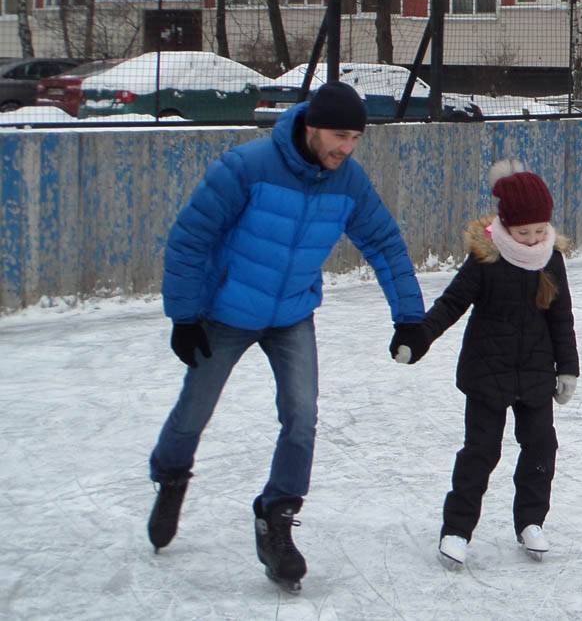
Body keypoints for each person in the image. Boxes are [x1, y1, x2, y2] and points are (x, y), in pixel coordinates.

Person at [147, 81, 426, 592]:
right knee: (195, 410)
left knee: (301, 415)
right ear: (312, 127)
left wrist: (409, 316)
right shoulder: (247, 168)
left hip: (292, 313)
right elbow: (190, 237)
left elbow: (385, 243)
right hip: (226, 312)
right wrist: (185, 316)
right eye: (339, 136)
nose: (347, 148)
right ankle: (171, 476)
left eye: (355, 139)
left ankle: (276, 516)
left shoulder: (350, 183)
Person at [390, 160, 580, 569]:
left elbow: (561, 317)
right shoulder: (486, 259)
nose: (532, 239)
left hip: (534, 373)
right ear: (505, 227)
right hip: (486, 374)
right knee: (481, 452)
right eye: (523, 232)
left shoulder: (550, 260)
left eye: (540, 230)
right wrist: (418, 338)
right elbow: (452, 303)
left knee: (541, 446)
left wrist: (568, 368)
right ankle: (457, 531)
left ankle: (531, 521)